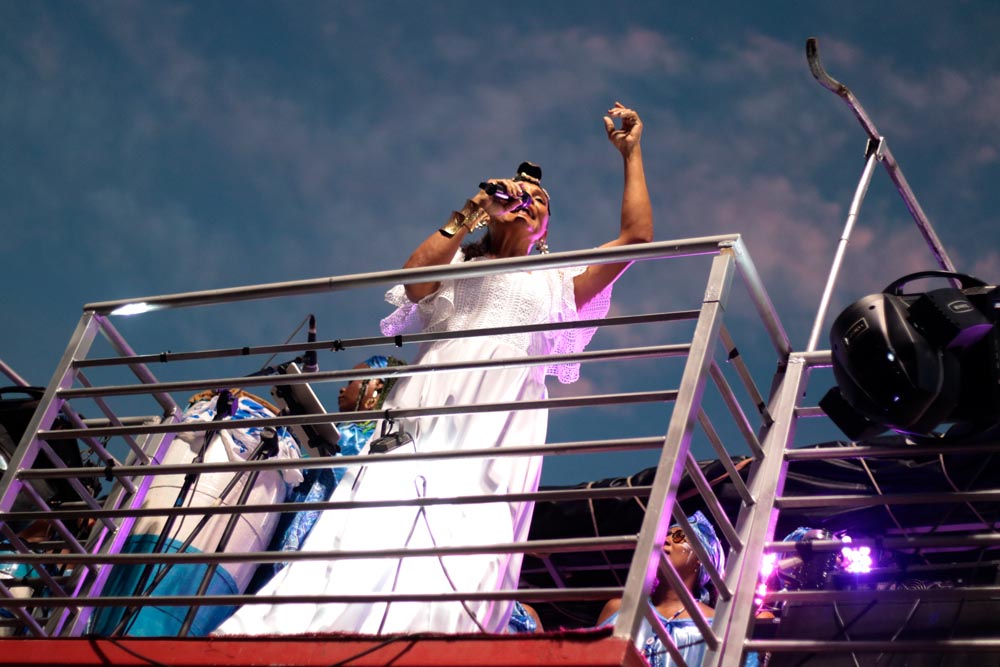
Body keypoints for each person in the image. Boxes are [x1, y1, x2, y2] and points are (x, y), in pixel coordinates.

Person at [213, 101, 652, 637]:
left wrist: (631, 154)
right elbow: (415, 280)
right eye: (519, 194)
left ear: (546, 227)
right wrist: (470, 211)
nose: (529, 202)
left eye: (540, 200)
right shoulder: (461, 261)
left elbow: (636, 238)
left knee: (471, 532)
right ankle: (320, 631)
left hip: (501, 423)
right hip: (431, 404)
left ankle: (441, 639)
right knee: (380, 513)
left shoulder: (559, 279)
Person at [246, 355, 407, 592]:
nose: (342, 389)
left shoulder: (362, 438)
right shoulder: (344, 434)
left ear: (376, 389)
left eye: (352, 382)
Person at [597, 511, 759, 667]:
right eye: (665, 535)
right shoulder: (618, 609)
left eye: (678, 536)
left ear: (701, 558)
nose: (665, 540)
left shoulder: (718, 627)